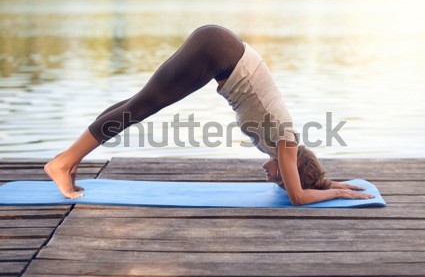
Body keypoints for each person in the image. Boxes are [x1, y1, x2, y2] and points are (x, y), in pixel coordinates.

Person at [44, 25, 374, 205]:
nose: (271, 178)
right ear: (292, 169)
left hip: (219, 49)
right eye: (280, 178)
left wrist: (333, 183)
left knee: (139, 103)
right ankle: (61, 163)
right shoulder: (286, 145)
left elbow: (303, 184)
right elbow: (299, 197)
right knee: (142, 106)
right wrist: (335, 193)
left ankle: (70, 161)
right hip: (216, 51)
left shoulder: (283, 146)